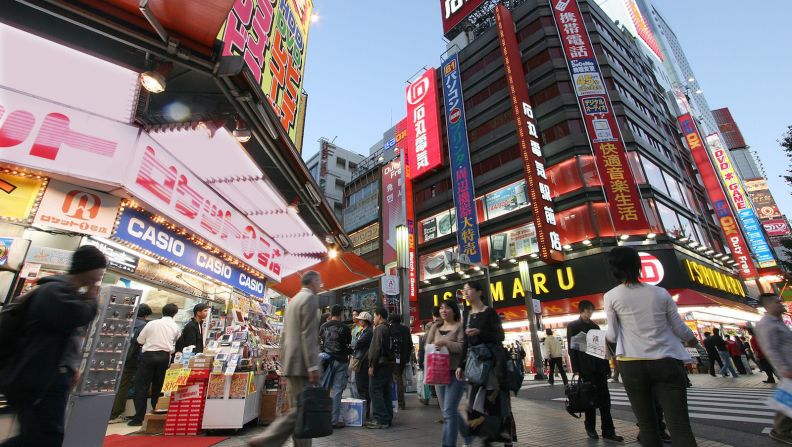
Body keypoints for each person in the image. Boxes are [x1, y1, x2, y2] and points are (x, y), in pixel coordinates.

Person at [0, 245, 105, 447]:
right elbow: (77, 315)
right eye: (100, 269)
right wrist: (92, 297)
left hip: (50, 374)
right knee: (44, 436)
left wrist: (70, 367)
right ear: (88, 267)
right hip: (39, 376)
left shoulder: (66, 291)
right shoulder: (53, 291)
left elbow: (66, 335)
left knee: (42, 435)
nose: (101, 274)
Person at [604, 246, 696, 447]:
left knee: (647, 426)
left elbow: (611, 334)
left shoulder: (611, 296)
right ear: (638, 265)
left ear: (613, 269)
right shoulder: (660, 293)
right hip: (667, 361)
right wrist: (692, 339)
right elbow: (680, 329)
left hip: (631, 364)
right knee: (679, 425)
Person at [249, 271, 322, 447]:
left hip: (291, 363)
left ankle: (299, 444)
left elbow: (284, 336)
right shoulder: (310, 299)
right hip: (302, 364)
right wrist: (313, 366)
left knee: (299, 408)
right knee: (301, 409)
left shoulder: (293, 300)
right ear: (312, 282)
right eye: (319, 282)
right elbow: (309, 334)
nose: (321, 285)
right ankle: (267, 439)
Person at [456, 281, 516, 446]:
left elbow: (500, 337)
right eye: (464, 291)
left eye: (469, 290)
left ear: (479, 292)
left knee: (494, 401)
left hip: (491, 366)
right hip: (474, 365)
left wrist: (480, 333)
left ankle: (504, 435)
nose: (466, 293)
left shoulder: (489, 313)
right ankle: (484, 436)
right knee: (475, 401)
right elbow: (465, 343)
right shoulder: (467, 314)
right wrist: (461, 364)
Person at [568, 300, 623, 443]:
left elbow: (602, 349)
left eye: (591, 310)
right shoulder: (573, 326)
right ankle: (590, 427)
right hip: (586, 368)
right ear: (582, 310)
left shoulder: (595, 326)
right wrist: (576, 369)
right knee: (589, 400)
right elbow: (572, 349)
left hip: (599, 367)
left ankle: (608, 431)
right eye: (588, 310)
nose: (590, 313)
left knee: (605, 400)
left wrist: (606, 367)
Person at [425, 299, 473, 447]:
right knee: (447, 411)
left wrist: (445, 343)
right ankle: (468, 434)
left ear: (454, 310)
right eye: (441, 308)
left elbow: (462, 347)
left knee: (449, 411)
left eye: (447, 308)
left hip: (455, 373)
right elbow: (427, 345)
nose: (443, 310)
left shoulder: (459, 326)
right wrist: (432, 348)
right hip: (438, 372)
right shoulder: (435, 326)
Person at [129, 303, 180, 426]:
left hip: (148, 356)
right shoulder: (175, 326)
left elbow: (140, 340)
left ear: (162, 311)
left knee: (141, 386)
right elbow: (175, 341)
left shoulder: (151, 324)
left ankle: (138, 418)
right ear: (175, 313)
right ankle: (156, 414)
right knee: (159, 386)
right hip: (164, 357)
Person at [754, 293, 792, 445]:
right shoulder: (765, 324)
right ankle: (780, 431)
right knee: (787, 402)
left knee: (787, 401)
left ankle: (781, 430)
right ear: (768, 305)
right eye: (778, 302)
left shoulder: (777, 321)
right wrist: (784, 369)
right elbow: (770, 349)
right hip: (788, 368)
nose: (781, 303)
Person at [110, 303, 152, 423]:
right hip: (135, 359)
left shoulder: (128, 322)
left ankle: (115, 411)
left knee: (120, 384)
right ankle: (120, 413)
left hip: (120, 357)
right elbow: (142, 343)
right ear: (146, 315)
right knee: (138, 386)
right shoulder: (144, 326)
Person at [319, 304, 352, 429]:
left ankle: (321, 418)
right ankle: (333, 421)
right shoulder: (345, 328)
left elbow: (320, 343)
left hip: (326, 361)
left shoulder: (323, 326)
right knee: (337, 391)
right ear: (341, 314)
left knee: (323, 389)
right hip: (341, 362)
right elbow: (348, 344)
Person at [365, 307, 394, 429]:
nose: (374, 319)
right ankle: (387, 418)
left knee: (375, 391)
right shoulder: (389, 327)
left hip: (379, 365)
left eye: (374, 316)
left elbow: (375, 348)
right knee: (386, 392)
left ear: (379, 316)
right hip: (388, 365)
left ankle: (380, 419)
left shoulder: (379, 329)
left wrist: (371, 365)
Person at [389, 314, 413, 410]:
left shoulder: (390, 328)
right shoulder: (405, 329)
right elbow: (410, 344)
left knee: (396, 378)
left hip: (392, 358)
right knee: (399, 377)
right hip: (402, 358)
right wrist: (407, 357)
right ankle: (400, 402)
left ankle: (399, 402)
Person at [353, 312, 374, 420]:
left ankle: (364, 414)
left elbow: (357, 344)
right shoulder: (365, 331)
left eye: (361, 319)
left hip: (363, 363)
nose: (359, 321)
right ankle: (365, 413)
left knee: (362, 389)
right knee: (363, 389)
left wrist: (355, 343)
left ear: (365, 321)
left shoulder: (368, 332)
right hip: (363, 362)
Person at [348, 309, 364, 399]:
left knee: (354, 380)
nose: (353, 317)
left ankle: (358, 400)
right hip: (352, 355)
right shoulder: (353, 327)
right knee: (351, 380)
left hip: (358, 356)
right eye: (352, 315)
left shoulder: (362, 328)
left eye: (355, 315)